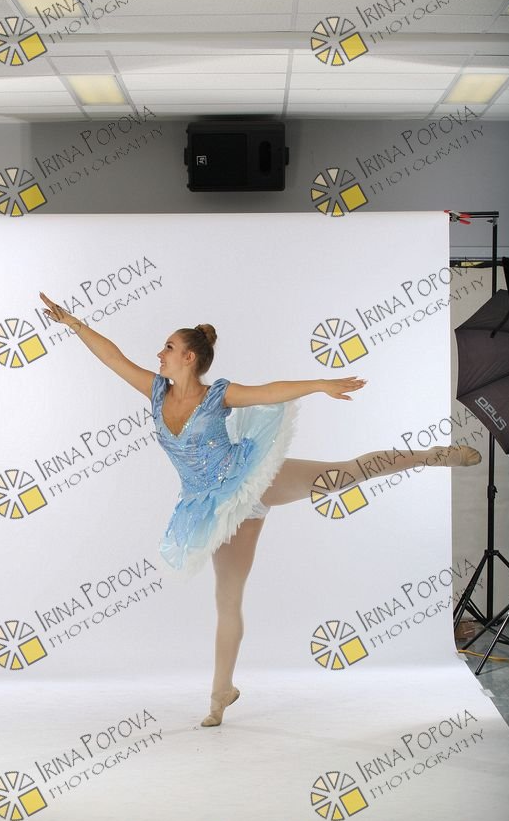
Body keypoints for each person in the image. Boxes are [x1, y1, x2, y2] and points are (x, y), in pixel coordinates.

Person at [39, 292, 481, 727]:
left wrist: (319, 384)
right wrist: (74, 323)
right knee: (227, 599)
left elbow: (269, 391)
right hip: (212, 507)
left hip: (249, 478)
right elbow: (113, 358)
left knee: (341, 476)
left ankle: (431, 456)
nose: (159, 354)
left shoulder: (217, 396)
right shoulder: (155, 392)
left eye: (168, 348)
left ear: (190, 358)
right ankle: (221, 694)